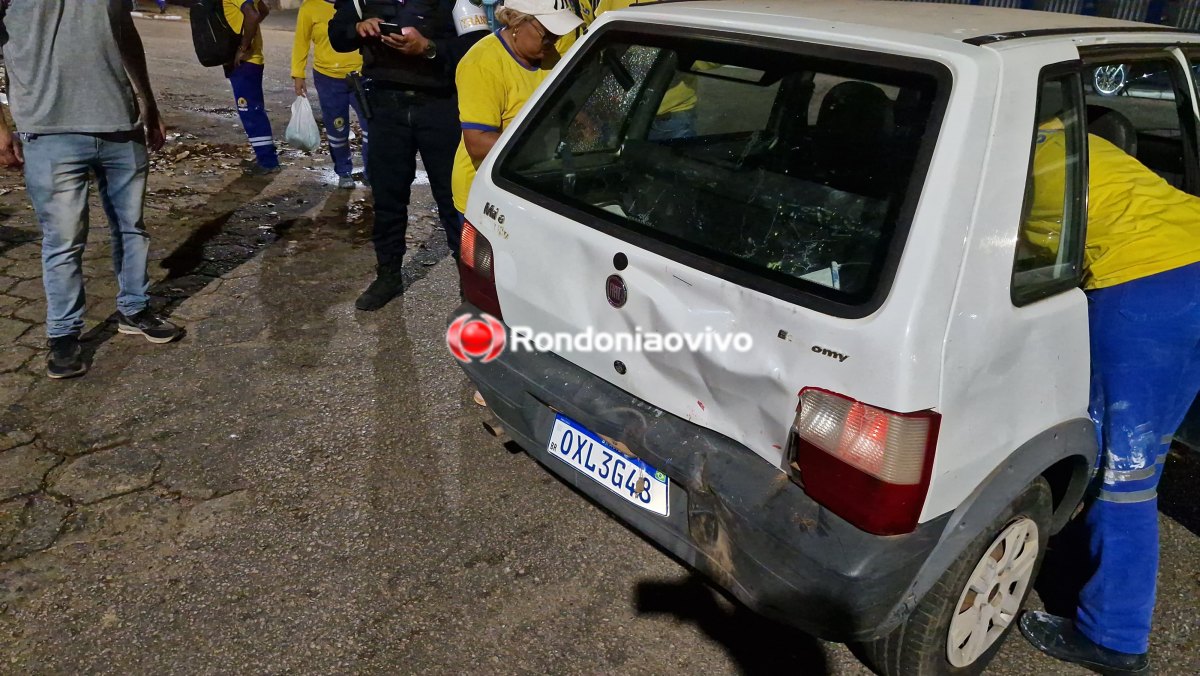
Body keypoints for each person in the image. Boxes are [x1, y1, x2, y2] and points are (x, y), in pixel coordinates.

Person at [1017, 117, 1200, 674]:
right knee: (1151, 446)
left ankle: (1114, 638)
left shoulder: (1005, 170)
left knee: (1125, 473)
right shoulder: (1065, 136)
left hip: (1150, 291)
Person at [0, 0, 184, 379]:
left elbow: (125, 34)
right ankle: (64, 334)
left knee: (132, 228)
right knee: (65, 239)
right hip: (50, 128)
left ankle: (134, 308)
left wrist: (148, 102)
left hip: (120, 122)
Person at [329, 0, 487, 311]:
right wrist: (359, 29)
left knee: (454, 199)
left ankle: (469, 285)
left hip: (440, 106)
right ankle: (388, 275)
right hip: (386, 107)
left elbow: (477, 47)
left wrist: (428, 48)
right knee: (388, 197)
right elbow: (337, 36)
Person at [452, 0, 582, 223]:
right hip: (485, 191)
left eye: (557, 34)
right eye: (547, 32)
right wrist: (536, 147)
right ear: (515, 21)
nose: (553, 40)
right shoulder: (482, 63)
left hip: (526, 182)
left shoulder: (547, 55)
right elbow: (477, 143)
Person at [292, 0, 368, 189]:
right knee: (337, 128)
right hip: (328, 79)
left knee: (372, 128)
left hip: (363, 76)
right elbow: (301, 41)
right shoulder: (310, 7)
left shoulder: (359, 3)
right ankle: (343, 171)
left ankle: (372, 172)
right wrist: (298, 74)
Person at [225, 0, 281, 174]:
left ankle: (267, 162)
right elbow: (263, 10)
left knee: (250, 112)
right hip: (252, 61)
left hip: (245, 62)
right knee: (254, 110)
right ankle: (266, 155)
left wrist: (243, 46)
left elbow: (254, 14)